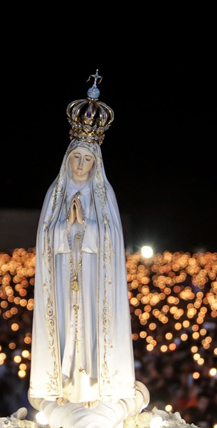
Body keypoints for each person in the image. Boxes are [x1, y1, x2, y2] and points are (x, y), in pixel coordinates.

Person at [29, 73, 137, 408]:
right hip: (63, 276)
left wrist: (86, 226)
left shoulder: (104, 196)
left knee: (91, 326)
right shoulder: (56, 193)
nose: (80, 164)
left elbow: (112, 239)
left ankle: (94, 386)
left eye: (87, 159)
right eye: (76, 157)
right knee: (65, 325)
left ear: (95, 163)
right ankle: (62, 384)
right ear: (68, 159)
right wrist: (66, 227)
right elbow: (46, 237)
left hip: (94, 279)